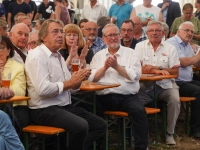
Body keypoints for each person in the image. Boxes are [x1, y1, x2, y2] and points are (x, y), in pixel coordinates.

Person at [25, 19, 107, 150]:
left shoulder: (58, 56)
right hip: (43, 109)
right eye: (55, 32)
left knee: (100, 125)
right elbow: (43, 89)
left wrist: (78, 79)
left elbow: (71, 88)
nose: (60, 35)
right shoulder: (37, 56)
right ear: (44, 37)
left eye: (61, 32)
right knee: (81, 126)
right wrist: (70, 83)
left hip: (63, 105)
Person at [89, 23, 148, 150]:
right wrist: (105, 67)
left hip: (127, 97)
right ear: (103, 38)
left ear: (120, 36)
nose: (113, 37)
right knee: (85, 110)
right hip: (103, 97)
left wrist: (117, 67)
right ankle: (94, 144)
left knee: (139, 111)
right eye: (109, 35)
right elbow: (92, 78)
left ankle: (141, 147)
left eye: (116, 34)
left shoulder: (132, 54)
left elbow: (135, 76)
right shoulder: (98, 56)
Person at [135, 20, 180, 145]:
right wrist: (157, 70)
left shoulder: (170, 48)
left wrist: (157, 69)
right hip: (146, 86)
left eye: (157, 31)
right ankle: (136, 133)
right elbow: (137, 68)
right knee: (133, 101)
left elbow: (176, 73)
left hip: (166, 85)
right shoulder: (140, 46)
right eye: (151, 30)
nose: (154, 33)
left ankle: (169, 133)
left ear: (163, 33)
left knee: (175, 100)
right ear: (147, 32)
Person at [167, 21, 200, 138]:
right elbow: (184, 62)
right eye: (187, 30)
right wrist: (198, 55)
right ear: (178, 31)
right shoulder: (172, 43)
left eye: (192, 31)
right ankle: (195, 129)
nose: (190, 33)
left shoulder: (187, 44)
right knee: (198, 92)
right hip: (175, 82)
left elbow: (196, 63)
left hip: (187, 80)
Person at [0, 35, 27, 130]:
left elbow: (20, 92)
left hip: (15, 107)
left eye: (1, 48)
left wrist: (1, 82)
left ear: (8, 51)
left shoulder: (18, 67)